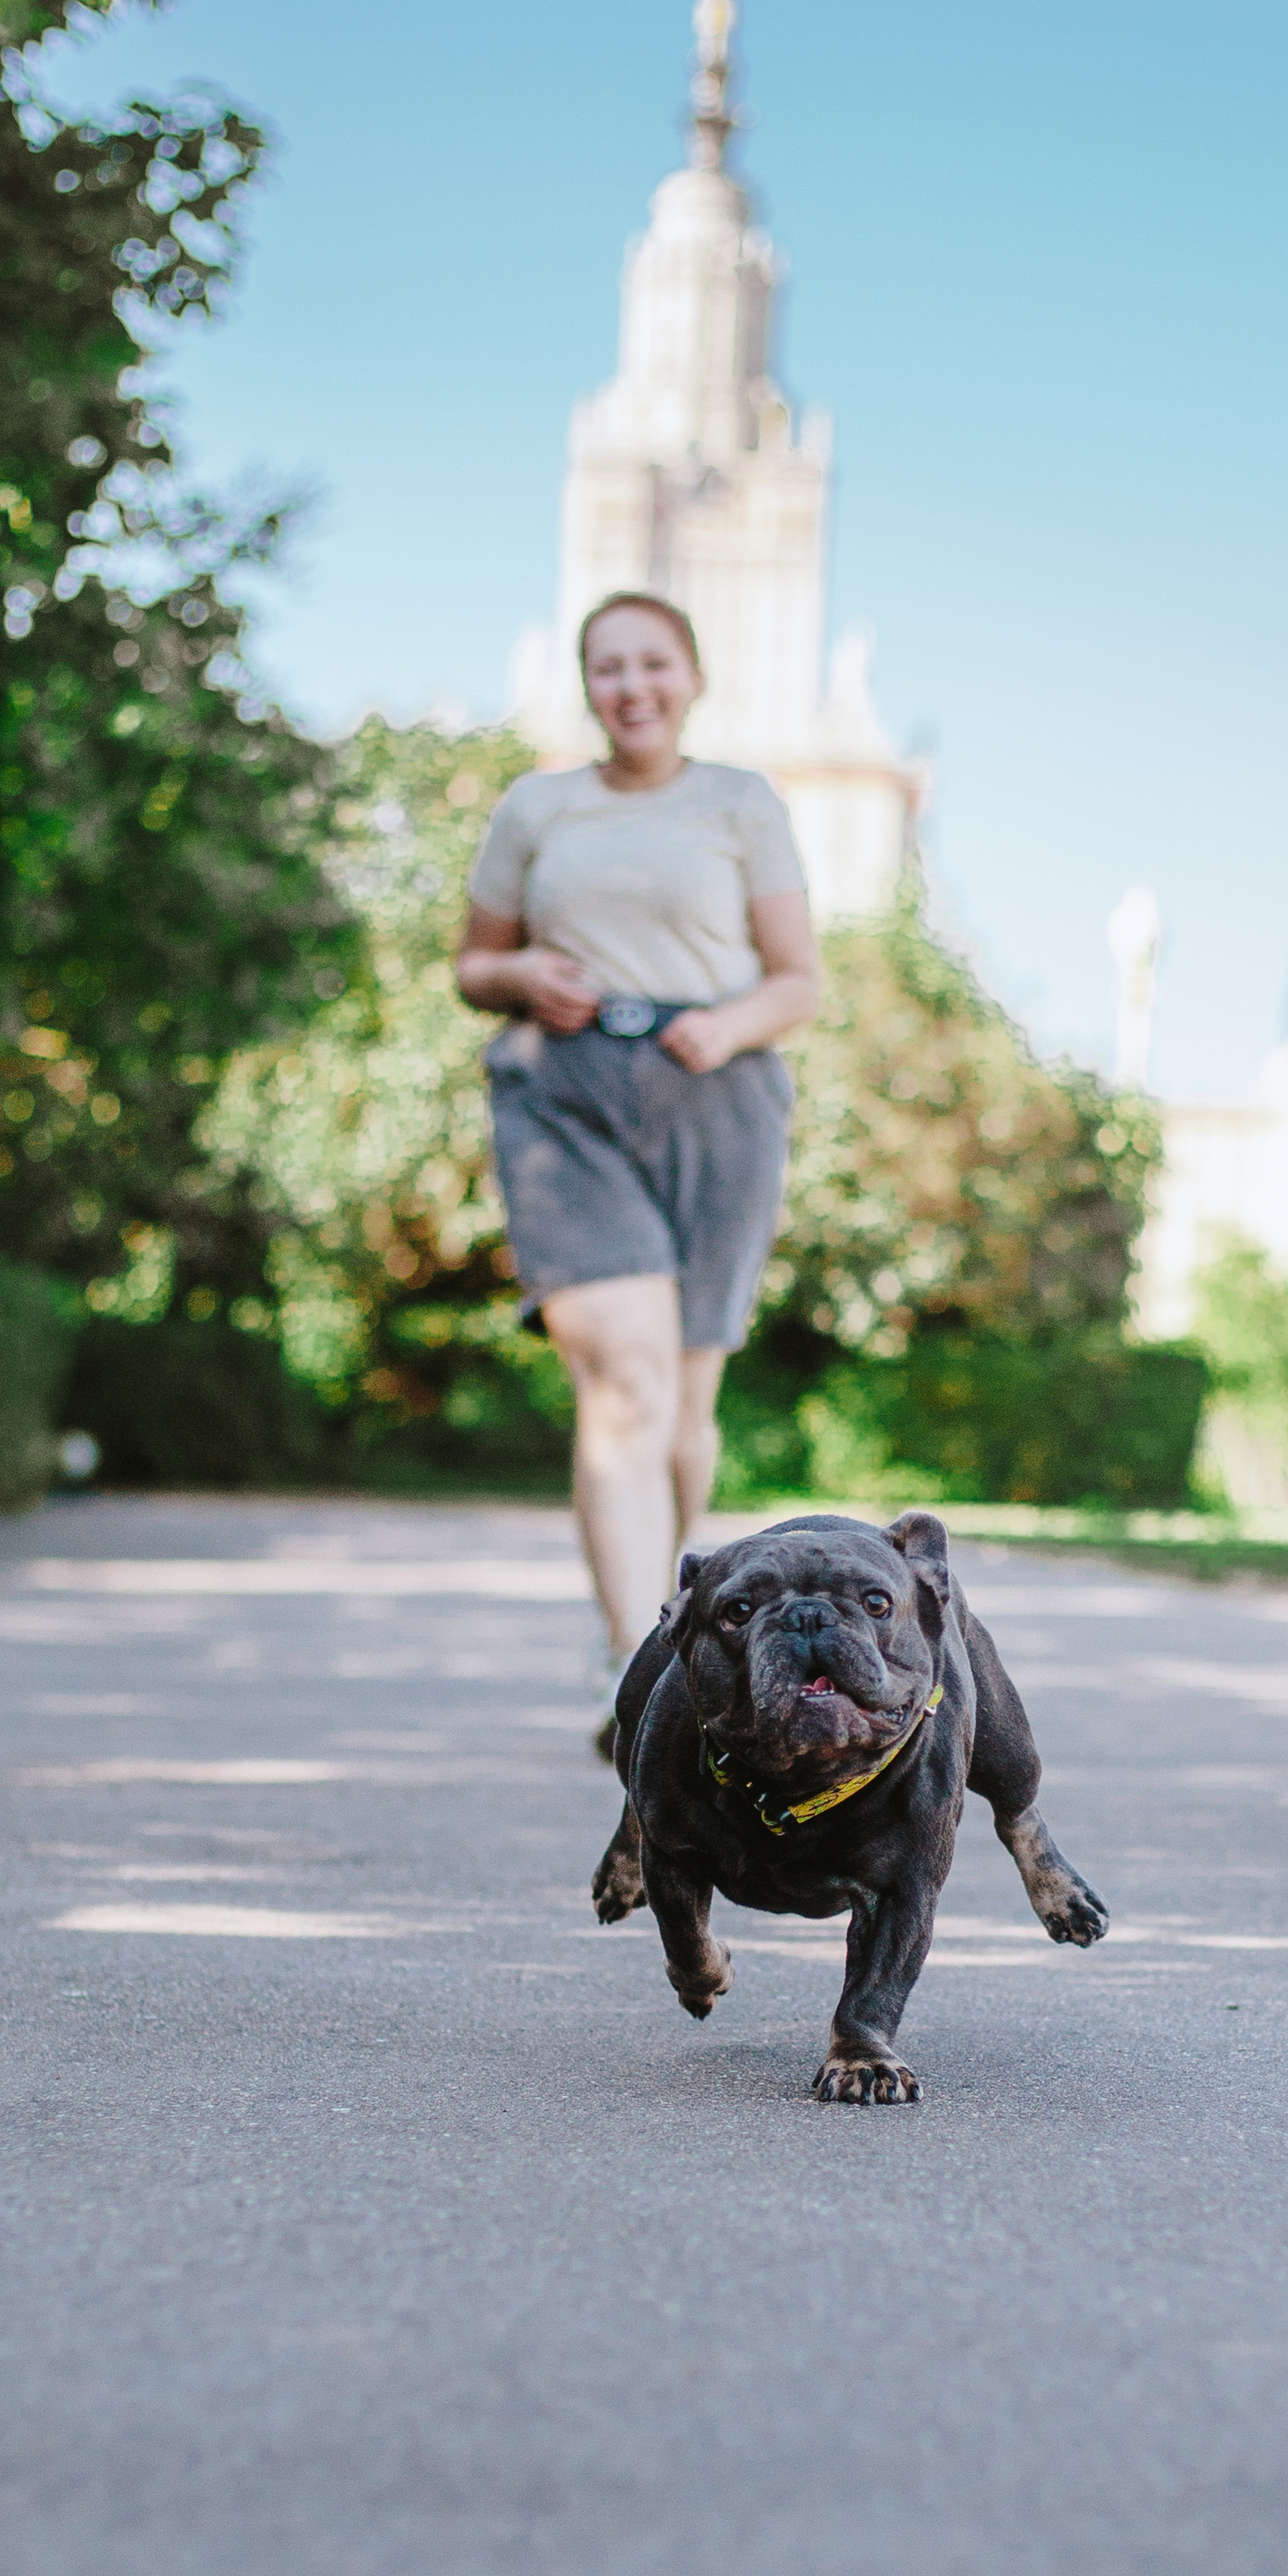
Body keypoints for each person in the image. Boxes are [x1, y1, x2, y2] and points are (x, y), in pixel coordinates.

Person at [455, 593, 818, 1730]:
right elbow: (472, 964)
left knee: (685, 1410)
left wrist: (729, 1026)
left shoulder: (741, 802)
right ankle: (635, 1668)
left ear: (693, 676)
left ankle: (670, 1621)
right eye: (608, 667)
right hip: (563, 1095)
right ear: (587, 686)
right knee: (626, 1383)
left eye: (654, 663)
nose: (632, 686)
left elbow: (798, 979)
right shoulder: (537, 806)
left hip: (715, 1093)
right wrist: (522, 978)